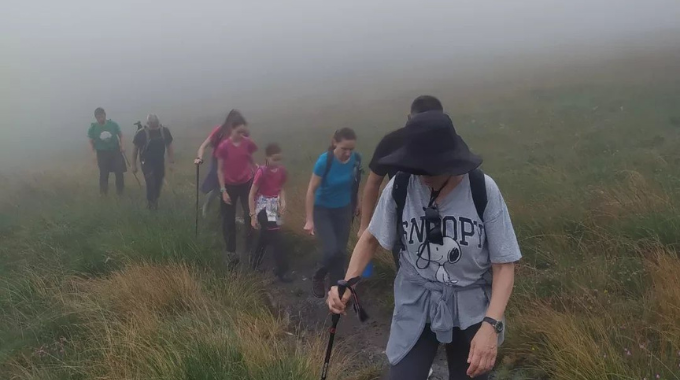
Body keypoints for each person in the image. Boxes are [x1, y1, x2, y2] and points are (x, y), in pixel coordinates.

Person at [327, 111, 521, 380]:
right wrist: (348, 282)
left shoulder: (482, 189)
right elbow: (370, 238)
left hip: (472, 304)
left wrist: (491, 325)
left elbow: (504, 266)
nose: (421, 174)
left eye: (429, 168)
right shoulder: (402, 185)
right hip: (416, 299)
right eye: (415, 165)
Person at [359, 95, 444, 270]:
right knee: (407, 268)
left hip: (444, 214)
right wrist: (364, 226)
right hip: (403, 218)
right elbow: (373, 183)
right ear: (409, 119)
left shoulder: (448, 142)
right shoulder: (392, 142)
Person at [304, 128, 362, 298]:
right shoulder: (325, 161)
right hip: (323, 211)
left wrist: (357, 203)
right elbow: (311, 191)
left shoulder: (356, 159)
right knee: (332, 250)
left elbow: (355, 183)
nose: (348, 153)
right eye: (344, 148)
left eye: (351, 148)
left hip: (344, 209)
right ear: (335, 142)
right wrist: (309, 219)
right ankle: (319, 275)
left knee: (341, 253)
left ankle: (336, 292)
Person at [248, 143, 293, 283]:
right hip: (262, 206)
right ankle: (282, 271)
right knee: (277, 237)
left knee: (266, 236)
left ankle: (254, 264)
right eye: (274, 159)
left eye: (279, 159)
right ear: (267, 157)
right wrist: (252, 216)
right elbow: (251, 194)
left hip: (273, 206)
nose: (277, 162)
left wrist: (283, 202)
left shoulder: (282, 171)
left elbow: (281, 188)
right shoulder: (261, 172)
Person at [215, 116, 257, 263]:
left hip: (246, 183)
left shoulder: (248, 143)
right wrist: (223, 190)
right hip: (229, 186)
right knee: (228, 220)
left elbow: (250, 159)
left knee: (250, 214)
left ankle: (249, 248)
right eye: (239, 132)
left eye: (243, 132)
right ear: (231, 130)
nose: (242, 135)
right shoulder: (223, 147)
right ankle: (231, 251)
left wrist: (257, 172)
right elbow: (219, 170)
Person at [194, 110, 245, 217]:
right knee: (217, 188)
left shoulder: (241, 133)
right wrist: (199, 158)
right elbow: (203, 146)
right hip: (217, 161)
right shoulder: (219, 131)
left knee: (238, 188)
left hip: (233, 163)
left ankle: (237, 215)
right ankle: (206, 207)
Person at [131, 114, 174, 210]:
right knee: (150, 182)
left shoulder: (164, 131)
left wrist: (171, 162)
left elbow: (169, 146)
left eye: (155, 123)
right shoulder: (141, 133)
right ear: (148, 123)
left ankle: (155, 199)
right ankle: (151, 205)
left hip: (159, 161)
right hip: (146, 162)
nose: (154, 126)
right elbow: (135, 150)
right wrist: (133, 165)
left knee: (158, 182)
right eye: (151, 124)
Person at [87, 107, 126, 195]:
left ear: (105, 115)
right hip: (102, 153)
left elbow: (121, 135)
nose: (100, 118)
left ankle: (120, 193)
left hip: (115, 151)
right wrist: (93, 153)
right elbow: (90, 141)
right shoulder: (93, 128)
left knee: (119, 172)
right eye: (98, 117)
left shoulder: (113, 124)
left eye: (101, 116)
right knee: (104, 174)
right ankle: (103, 194)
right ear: (95, 118)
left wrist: (122, 146)